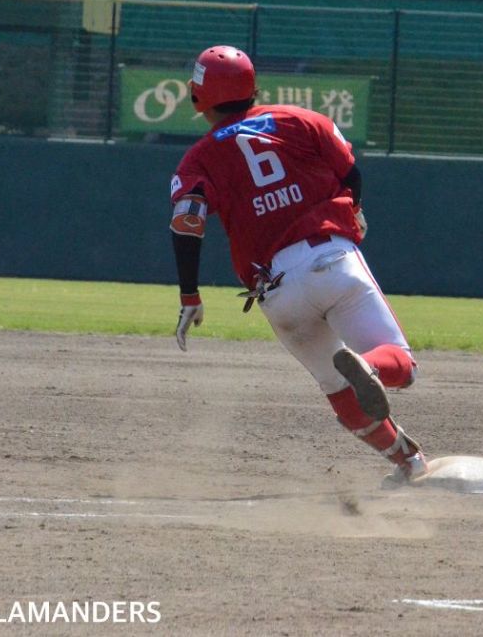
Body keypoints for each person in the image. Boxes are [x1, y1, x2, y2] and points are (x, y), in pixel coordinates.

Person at [168, 45, 428, 484]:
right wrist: (356, 207)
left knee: (341, 394)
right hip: (330, 258)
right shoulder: (299, 119)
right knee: (401, 366)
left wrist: (190, 293)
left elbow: (187, 223)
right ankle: (372, 368)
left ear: (198, 98)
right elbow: (350, 172)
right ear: (254, 88)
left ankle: (409, 463)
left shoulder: (198, 158)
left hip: (276, 290)